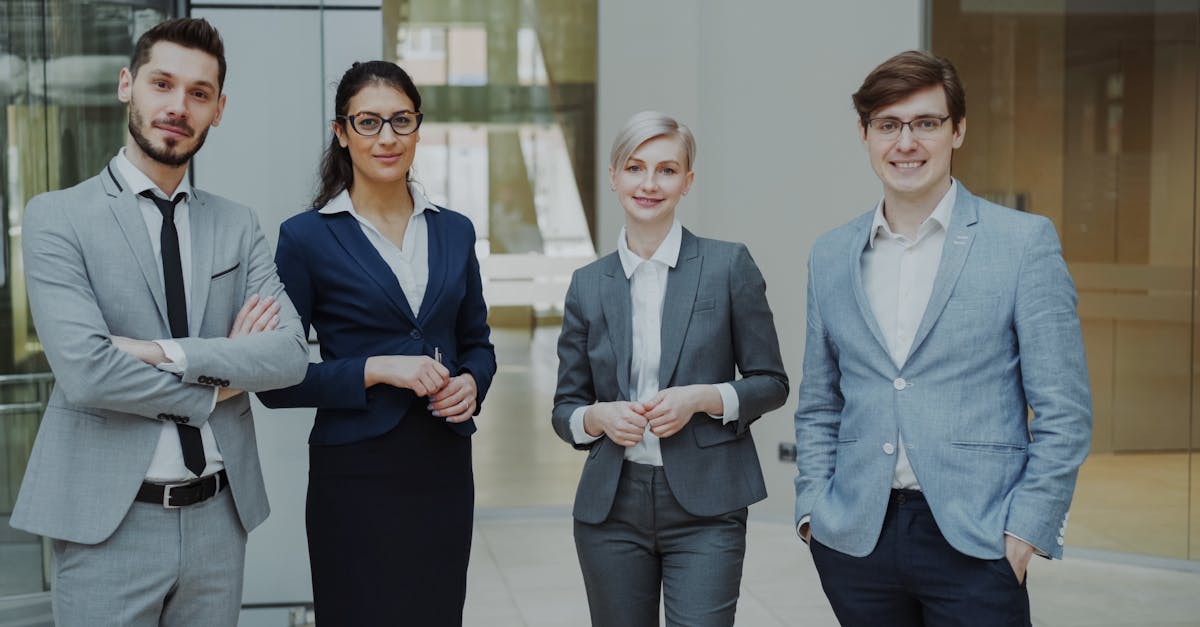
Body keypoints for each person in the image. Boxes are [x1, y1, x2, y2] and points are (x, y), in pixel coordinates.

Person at [9, 17, 309, 626]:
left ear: (218, 109)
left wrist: (160, 352)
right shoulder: (58, 218)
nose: (178, 106)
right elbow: (89, 372)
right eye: (162, 84)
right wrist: (221, 379)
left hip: (219, 521)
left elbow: (288, 356)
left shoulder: (237, 224)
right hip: (108, 525)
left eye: (199, 93)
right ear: (128, 85)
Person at [793, 50, 1092, 626]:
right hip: (858, 540)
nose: (906, 142)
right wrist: (814, 513)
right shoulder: (830, 254)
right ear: (865, 135)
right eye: (888, 125)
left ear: (957, 130)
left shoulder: (1022, 243)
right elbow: (820, 401)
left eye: (925, 123)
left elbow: (1065, 410)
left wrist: (1025, 532)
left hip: (978, 541)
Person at [256, 60, 496, 626]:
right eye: (368, 122)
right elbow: (272, 379)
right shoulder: (307, 237)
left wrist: (472, 383)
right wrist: (376, 369)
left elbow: (478, 344)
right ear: (341, 132)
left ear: (418, 127)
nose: (386, 137)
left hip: (442, 464)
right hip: (355, 473)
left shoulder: (455, 229)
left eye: (400, 120)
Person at [552, 111, 789, 627]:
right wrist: (598, 419)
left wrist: (702, 398)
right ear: (614, 176)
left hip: (708, 505)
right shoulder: (588, 285)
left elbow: (771, 383)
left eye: (666, 170)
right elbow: (565, 408)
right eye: (635, 168)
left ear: (687, 181)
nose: (649, 183)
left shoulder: (728, 265)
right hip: (610, 508)